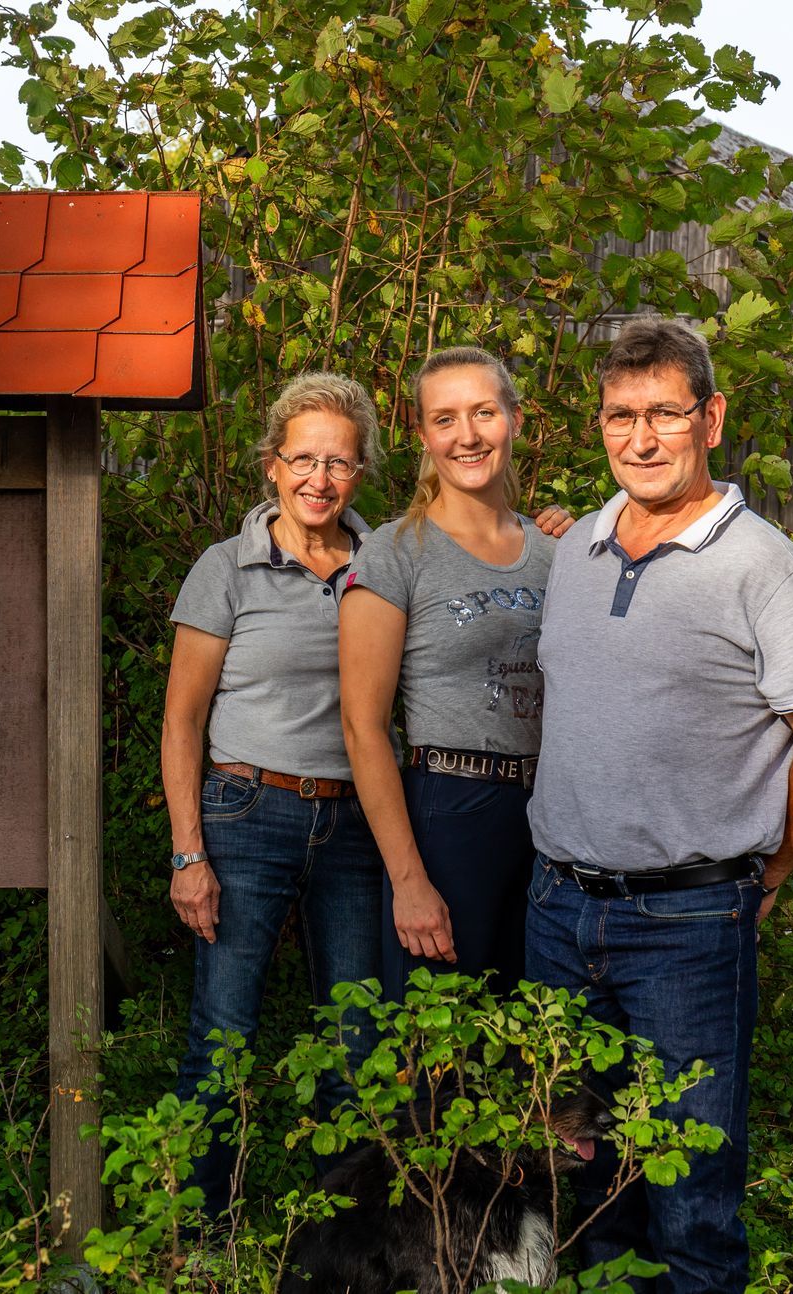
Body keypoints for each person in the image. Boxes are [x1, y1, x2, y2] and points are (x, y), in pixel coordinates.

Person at [524, 318, 793, 1292]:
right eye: (620, 416)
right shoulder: (577, 554)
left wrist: (773, 869)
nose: (640, 438)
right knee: (581, 1186)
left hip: (686, 920)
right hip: (557, 912)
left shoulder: (766, 568)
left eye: (664, 415)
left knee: (691, 1199)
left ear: (710, 418)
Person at [162, 371, 386, 1217]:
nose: (319, 480)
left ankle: (338, 1240)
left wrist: (551, 528)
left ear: (360, 473)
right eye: (303, 460)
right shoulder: (227, 570)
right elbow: (181, 722)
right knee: (222, 1035)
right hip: (246, 815)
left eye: (339, 463)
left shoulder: (386, 564)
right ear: (271, 465)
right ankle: (199, 1228)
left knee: (357, 1042)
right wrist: (191, 853)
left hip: (359, 826)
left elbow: (479, 553)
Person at [340, 347, 557, 993]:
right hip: (451, 812)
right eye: (445, 419)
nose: (467, 435)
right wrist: (409, 880)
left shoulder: (556, 553)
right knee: (441, 1047)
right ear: (423, 435)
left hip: (550, 815)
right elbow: (362, 727)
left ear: (515, 421)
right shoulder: (394, 554)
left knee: (535, 1035)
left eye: (484, 413)